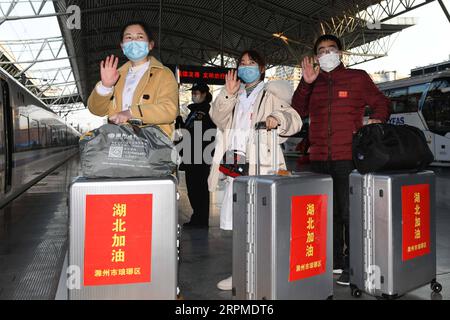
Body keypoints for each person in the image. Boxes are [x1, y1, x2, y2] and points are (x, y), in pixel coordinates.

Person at [291, 34, 391, 286]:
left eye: (331, 49)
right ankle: (333, 260)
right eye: (321, 51)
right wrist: (306, 83)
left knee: (349, 214)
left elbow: (381, 102)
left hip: (348, 157)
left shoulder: (358, 78)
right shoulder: (311, 82)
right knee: (327, 215)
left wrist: (377, 119)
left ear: (341, 52)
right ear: (316, 57)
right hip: (318, 158)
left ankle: (351, 264)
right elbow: (297, 110)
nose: (327, 54)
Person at [209, 50, 302, 291]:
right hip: (234, 165)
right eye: (242, 63)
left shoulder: (272, 93)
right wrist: (228, 94)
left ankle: (267, 270)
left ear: (262, 68)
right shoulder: (233, 93)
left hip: (261, 163)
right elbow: (217, 118)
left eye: (252, 63)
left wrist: (277, 117)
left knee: (263, 221)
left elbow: (294, 119)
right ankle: (241, 272)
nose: (246, 67)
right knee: (240, 222)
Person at [87, 21, 178, 138]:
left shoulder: (163, 73)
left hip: (153, 148)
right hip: (120, 145)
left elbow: (169, 110)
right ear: (122, 46)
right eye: (128, 37)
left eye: (140, 37)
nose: (134, 41)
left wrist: (131, 113)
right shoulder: (115, 76)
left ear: (150, 45)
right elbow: (96, 110)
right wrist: (106, 86)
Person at [177, 82, 216, 228]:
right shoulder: (194, 111)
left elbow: (202, 132)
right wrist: (181, 124)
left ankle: (201, 220)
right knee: (192, 189)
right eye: (193, 92)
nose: (194, 95)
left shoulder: (207, 111)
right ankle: (197, 217)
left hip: (200, 155)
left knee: (199, 189)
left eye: (197, 92)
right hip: (190, 155)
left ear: (205, 94)